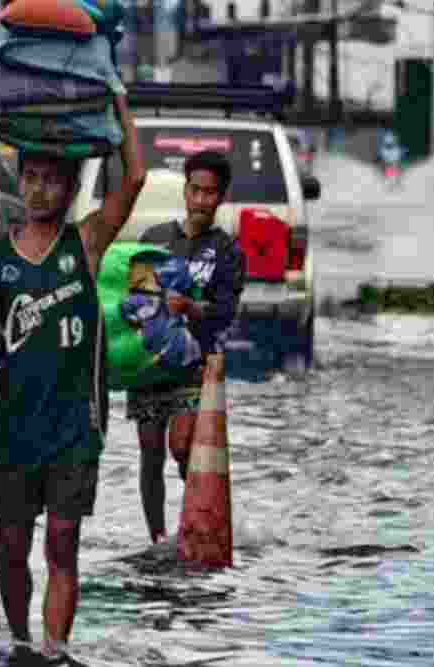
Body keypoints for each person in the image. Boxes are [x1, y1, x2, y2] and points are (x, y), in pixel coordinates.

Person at [0, 94, 146, 659]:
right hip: (13, 426)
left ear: (71, 190)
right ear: (19, 181)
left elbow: (135, 178)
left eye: (52, 180)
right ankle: (20, 642)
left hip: (75, 424)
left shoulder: (86, 243)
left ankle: (55, 649)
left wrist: (118, 103)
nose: (39, 189)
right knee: (12, 546)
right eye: (31, 178)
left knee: (64, 543)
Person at [130, 150, 246, 545]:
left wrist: (191, 308)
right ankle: (157, 538)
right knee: (150, 453)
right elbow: (134, 299)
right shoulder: (154, 239)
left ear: (221, 197)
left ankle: (198, 522)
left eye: (209, 193)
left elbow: (226, 314)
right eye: (194, 190)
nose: (199, 200)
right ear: (184, 190)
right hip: (149, 362)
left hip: (196, 364)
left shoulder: (228, 252)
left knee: (183, 447)